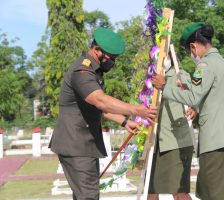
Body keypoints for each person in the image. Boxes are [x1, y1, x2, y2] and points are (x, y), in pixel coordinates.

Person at [49, 27, 157, 200]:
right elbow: (100, 100)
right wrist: (136, 109)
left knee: (85, 195)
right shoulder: (82, 71)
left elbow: (97, 108)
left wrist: (124, 121)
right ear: (96, 49)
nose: (112, 63)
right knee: (89, 196)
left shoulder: (95, 71)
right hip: (76, 144)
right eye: (110, 58)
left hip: (84, 144)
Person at [152, 23, 224, 200]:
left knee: (212, 194)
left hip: (216, 141)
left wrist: (164, 87)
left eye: (188, 51)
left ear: (193, 46)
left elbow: (193, 99)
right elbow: (212, 98)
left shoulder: (205, 65)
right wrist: (188, 89)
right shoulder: (223, 64)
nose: (191, 55)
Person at [148, 56, 198, 200]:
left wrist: (194, 108)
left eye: (163, 54)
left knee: (178, 191)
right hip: (154, 140)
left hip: (175, 141)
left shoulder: (179, 74)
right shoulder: (148, 78)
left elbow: (194, 96)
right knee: (151, 190)